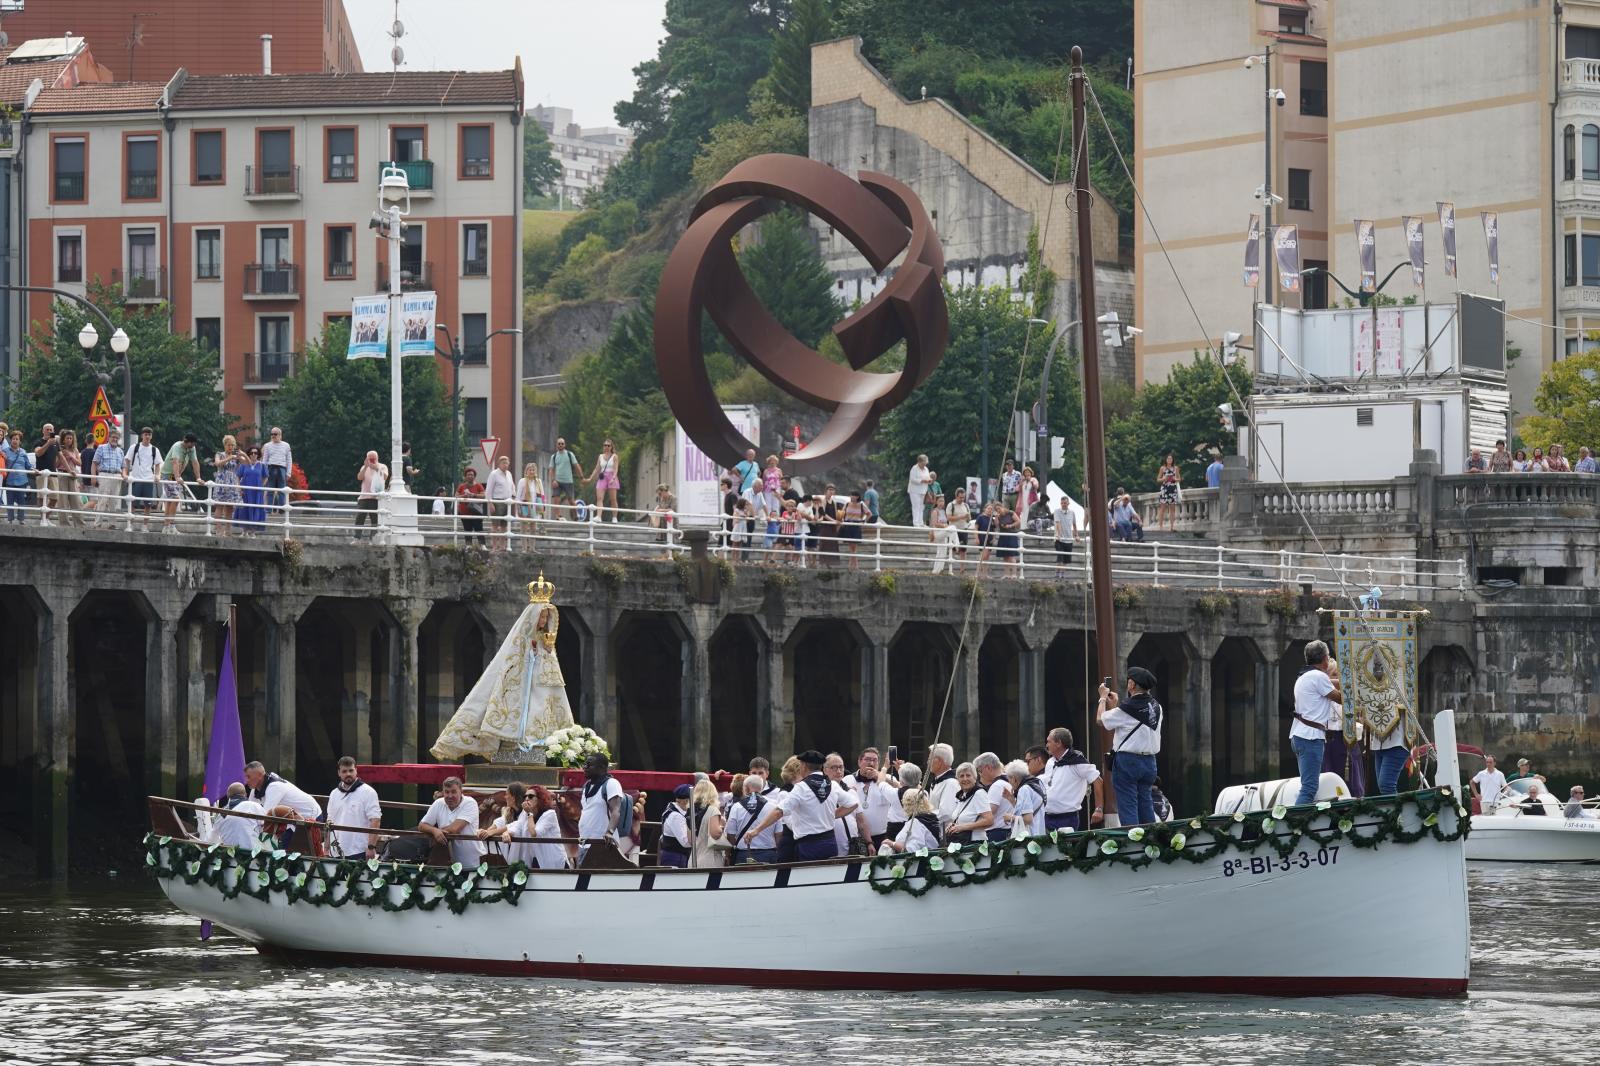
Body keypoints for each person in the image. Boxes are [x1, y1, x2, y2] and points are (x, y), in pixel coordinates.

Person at [748, 749, 859, 861]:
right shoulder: (832, 785)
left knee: (809, 872)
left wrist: (756, 830)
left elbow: (779, 811)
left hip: (809, 846)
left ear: (804, 766)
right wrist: (832, 815)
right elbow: (853, 804)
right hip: (830, 843)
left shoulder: (801, 788)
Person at [1099, 669, 1165, 825]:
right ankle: (1150, 837)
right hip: (1149, 762)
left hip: (1127, 761)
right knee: (1145, 803)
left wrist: (1102, 698)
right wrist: (1114, 706)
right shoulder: (1157, 707)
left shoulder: (1126, 708)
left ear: (1132, 684)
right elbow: (1129, 722)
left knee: (1127, 804)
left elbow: (1100, 720)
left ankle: (1132, 837)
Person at [1289, 641, 1342, 805]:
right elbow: (1341, 699)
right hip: (1310, 738)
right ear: (1325, 659)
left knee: (1307, 786)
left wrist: (1346, 681)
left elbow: (1331, 683)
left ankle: (1298, 818)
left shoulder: (1304, 676)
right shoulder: (1319, 677)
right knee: (1309, 788)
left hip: (1300, 735)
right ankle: (1297, 820)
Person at [243, 761, 323, 851]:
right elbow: (249, 812)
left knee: (278, 846)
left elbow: (265, 817)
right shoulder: (255, 790)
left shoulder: (275, 787)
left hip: (311, 817)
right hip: (289, 819)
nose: (246, 781)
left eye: (248, 777)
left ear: (260, 775)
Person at [1038, 728, 1102, 831]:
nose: (1047, 745)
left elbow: (1098, 781)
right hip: (1047, 817)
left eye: (1049, 741)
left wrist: (1099, 809)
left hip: (1067, 819)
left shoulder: (1077, 761)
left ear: (1058, 743)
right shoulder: (1050, 762)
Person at [417, 776, 482, 867]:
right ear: (443, 792)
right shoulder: (438, 803)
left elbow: (454, 829)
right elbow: (421, 825)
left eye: (453, 792)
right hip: (444, 860)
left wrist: (437, 832)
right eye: (447, 792)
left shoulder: (470, 803)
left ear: (461, 791)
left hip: (468, 859)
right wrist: (435, 831)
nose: (450, 796)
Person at [325, 756, 382, 859]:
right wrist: (326, 848)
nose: (348, 774)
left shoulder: (368, 792)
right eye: (344, 771)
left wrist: (371, 847)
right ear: (339, 773)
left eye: (351, 770)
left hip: (359, 850)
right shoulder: (334, 793)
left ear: (356, 770)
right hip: (335, 851)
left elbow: (375, 820)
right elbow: (329, 822)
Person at [844, 748, 898, 848]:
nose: (871, 763)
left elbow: (902, 790)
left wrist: (878, 776)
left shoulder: (888, 779)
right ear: (859, 761)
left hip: (883, 837)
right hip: (856, 837)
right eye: (867, 759)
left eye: (875, 760)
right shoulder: (847, 780)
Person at [578, 753, 626, 860]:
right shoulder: (586, 786)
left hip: (604, 844)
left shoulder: (611, 783)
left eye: (589, 765)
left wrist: (609, 832)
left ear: (602, 767)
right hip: (584, 843)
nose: (585, 767)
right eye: (585, 764)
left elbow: (616, 810)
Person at [725, 774, 781, 864]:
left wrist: (728, 854)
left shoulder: (736, 807)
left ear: (746, 788)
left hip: (743, 854)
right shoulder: (774, 807)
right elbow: (778, 834)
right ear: (761, 788)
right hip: (768, 854)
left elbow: (730, 834)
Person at [160, 433, 202, 530]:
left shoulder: (191, 448)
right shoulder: (177, 446)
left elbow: (195, 462)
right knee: (175, 499)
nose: (193, 446)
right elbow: (175, 461)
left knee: (170, 501)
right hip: (168, 474)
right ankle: (171, 525)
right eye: (192, 444)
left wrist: (198, 478)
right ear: (187, 441)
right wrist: (177, 477)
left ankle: (166, 526)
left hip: (175, 475)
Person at [212, 782, 268, 850]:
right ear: (245, 794)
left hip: (230, 855)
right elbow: (267, 827)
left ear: (228, 796)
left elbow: (211, 839)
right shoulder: (254, 806)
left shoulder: (220, 815)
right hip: (252, 853)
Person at [688, 778, 727, 868]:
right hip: (710, 859)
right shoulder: (712, 810)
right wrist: (722, 826)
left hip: (693, 859)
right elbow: (715, 833)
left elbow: (690, 840)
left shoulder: (690, 811)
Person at [975, 752, 1013, 843]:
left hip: (997, 834)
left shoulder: (997, 785)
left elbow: (989, 812)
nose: (980, 775)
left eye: (980, 771)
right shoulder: (1009, 782)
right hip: (1005, 831)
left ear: (988, 768)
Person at [90, 428, 126, 521]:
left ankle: (112, 523)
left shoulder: (120, 451)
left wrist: (124, 475)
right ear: (108, 438)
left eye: (117, 438)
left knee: (114, 501)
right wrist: (93, 477)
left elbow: (123, 466)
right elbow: (94, 463)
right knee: (102, 500)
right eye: (113, 437)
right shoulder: (101, 448)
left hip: (117, 476)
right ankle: (97, 523)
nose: (115, 439)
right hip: (104, 474)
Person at [126, 427, 160, 525]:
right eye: (146, 434)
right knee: (133, 504)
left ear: (151, 436)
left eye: (149, 435)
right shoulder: (134, 447)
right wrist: (127, 474)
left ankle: (145, 526)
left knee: (148, 505)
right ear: (142, 436)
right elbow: (127, 460)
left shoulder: (154, 450)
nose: (147, 436)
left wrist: (157, 475)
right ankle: (130, 524)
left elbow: (157, 464)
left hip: (148, 480)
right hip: (136, 479)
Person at [210, 435, 244, 533]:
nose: (231, 447)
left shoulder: (236, 456)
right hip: (221, 481)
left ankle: (227, 530)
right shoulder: (219, 454)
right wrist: (229, 458)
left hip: (232, 482)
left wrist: (243, 455)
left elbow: (247, 464)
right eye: (229, 445)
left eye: (232, 445)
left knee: (230, 507)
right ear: (224, 445)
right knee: (219, 505)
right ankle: (218, 529)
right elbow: (217, 463)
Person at [1006, 758, 1046, 838]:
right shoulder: (1038, 783)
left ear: (1014, 779)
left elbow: (1028, 819)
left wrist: (1011, 818)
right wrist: (1013, 801)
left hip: (1029, 837)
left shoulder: (1024, 789)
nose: (1009, 783)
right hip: (1040, 834)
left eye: (1009, 780)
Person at [351, 450, 388, 538]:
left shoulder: (382, 466)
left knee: (375, 519)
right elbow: (359, 477)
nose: (372, 460)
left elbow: (385, 477)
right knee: (359, 518)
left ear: (377, 458)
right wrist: (365, 467)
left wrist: (376, 468)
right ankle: (357, 537)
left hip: (376, 497)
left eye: (373, 458)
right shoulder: (364, 467)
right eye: (370, 458)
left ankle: (373, 538)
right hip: (364, 497)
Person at [584, 438, 621, 522]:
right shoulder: (600, 456)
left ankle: (614, 517)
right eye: (605, 445)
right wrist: (590, 478)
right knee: (599, 497)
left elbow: (616, 469)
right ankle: (599, 516)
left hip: (611, 476)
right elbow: (597, 468)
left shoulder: (614, 456)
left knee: (613, 499)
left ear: (611, 447)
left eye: (608, 445)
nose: (606, 447)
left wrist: (613, 478)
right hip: (603, 476)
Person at [485, 455, 517, 549]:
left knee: (504, 525)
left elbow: (512, 486)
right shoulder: (494, 474)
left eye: (507, 463)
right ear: (499, 464)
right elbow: (489, 489)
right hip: (497, 501)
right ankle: (494, 546)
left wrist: (513, 496)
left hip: (507, 501)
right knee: (495, 525)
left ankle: (502, 546)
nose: (505, 465)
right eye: (503, 463)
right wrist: (490, 503)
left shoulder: (509, 474)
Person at [3, 429, 35, 524]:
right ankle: (10, 519)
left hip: (22, 480)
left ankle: (21, 519)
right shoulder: (5, 451)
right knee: (10, 501)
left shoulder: (23, 452)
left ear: (20, 441)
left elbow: (28, 465)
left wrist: (34, 469)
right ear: (11, 440)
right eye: (13, 439)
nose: (15, 441)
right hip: (10, 480)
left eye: (17, 439)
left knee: (21, 501)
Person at [658, 784, 694, 867]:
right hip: (675, 858)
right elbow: (685, 842)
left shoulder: (674, 811)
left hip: (676, 856)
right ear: (686, 801)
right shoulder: (676, 816)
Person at [548, 436, 584, 517]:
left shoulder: (569, 454)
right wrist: (553, 480)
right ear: (556, 445)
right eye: (559, 444)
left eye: (562, 444)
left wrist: (581, 477)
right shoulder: (554, 456)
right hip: (557, 481)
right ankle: (558, 516)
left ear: (565, 445)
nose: (560, 445)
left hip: (568, 481)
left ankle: (575, 515)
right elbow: (551, 469)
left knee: (571, 500)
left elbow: (576, 466)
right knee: (556, 498)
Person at [262, 427, 293, 519]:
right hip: (271, 467)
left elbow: (289, 460)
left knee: (282, 491)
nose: (273, 436)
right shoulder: (267, 445)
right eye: (271, 434)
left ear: (280, 435)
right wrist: (264, 472)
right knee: (270, 491)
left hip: (282, 468)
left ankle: (282, 510)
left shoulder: (286, 445)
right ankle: (268, 510)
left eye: (275, 434)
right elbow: (265, 460)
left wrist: (288, 473)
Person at [235, 445, 268, 531]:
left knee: (256, 509)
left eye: (255, 453)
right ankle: (244, 531)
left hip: (257, 492)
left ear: (258, 454)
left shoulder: (262, 465)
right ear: (248, 454)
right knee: (244, 510)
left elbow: (266, 476)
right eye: (251, 453)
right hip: (245, 491)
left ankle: (253, 531)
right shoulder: (244, 464)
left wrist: (261, 486)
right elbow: (238, 476)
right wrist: (239, 487)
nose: (253, 454)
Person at [926, 743, 958, 827]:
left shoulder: (951, 783)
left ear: (939, 761)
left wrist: (924, 818)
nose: (927, 762)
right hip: (935, 828)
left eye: (930, 759)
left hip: (945, 831)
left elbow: (946, 813)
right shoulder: (937, 780)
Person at [515, 462, 546, 542]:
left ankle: (532, 547)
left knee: (533, 529)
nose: (532, 472)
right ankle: (524, 547)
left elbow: (542, 495)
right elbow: (518, 496)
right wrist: (519, 508)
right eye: (530, 470)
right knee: (524, 529)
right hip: (525, 507)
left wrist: (543, 506)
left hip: (535, 507)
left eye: (533, 470)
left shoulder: (538, 481)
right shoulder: (522, 481)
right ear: (526, 471)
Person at [929, 492, 956, 574]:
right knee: (953, 528)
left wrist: (946, 525)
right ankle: (956, 543)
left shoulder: (943, 511)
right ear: (936, 502)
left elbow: (946, 522)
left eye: (943, 501)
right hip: (938, 532)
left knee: (942, 551)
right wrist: (944, 526)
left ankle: (937, 570)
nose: (942, 503)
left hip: (943, 532)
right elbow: (935, 523)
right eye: (940, 501)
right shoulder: (935, 511)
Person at [456, 467, 486, 538]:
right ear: (465, 476)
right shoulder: (461, 486)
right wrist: (464, 496)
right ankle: (468, 544)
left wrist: (474, 495)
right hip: (464, 513)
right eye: (468, 475)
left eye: (472, 475)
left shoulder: (478, 485)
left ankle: (482, 544)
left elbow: (484, 495)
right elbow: (456, 497)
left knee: (479, 530)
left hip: (476, 512)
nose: (470, 476)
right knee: (467, 531)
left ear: (474, 476)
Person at [907, 454, 935, 527]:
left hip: (923, 491)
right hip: (914, 490)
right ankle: (916, 523)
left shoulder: (926, 469)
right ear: (919, 462)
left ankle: (921, 523)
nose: (924, 465)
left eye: (925, 463)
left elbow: (928, 478)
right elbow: (912, 479)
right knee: (916, 506)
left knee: (921, 506)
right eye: (923, 463)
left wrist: (929, 480)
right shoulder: (914, 468)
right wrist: (922, 480)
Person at [1156, 452, 1181, 531]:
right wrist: (1164, 479)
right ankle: (1161, 526)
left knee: (1172, 508)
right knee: (1162, 507)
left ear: (1173, 460)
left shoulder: (1175, 468)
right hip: (1165, 488)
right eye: (1168, 458)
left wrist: (1174, 479)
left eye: (1171, 459)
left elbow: (1179, 479)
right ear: (1166, 460)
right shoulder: (1162, 468)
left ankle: (1172, 526)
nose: (1169, 460)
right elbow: (1158, 479)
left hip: (1172, 488)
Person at [948, 486, 972, 565]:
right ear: (956, 496)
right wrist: (961, 517)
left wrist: (968, 518)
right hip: (954, 531)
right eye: (960, 497)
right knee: (953, 549)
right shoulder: (951, 505)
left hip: (964, 530)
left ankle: (962, 569)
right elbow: (949, 518)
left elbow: (969, 519)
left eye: (963, 497)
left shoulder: (966, 505)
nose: (962, 499)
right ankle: (950, 568)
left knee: (963, 550)